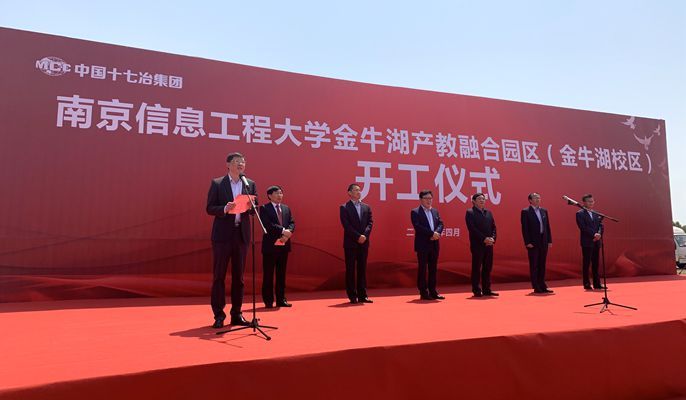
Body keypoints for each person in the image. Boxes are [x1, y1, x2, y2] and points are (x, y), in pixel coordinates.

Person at [206, 152, 256, 328]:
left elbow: (253, 209)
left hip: (241, 236)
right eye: (236, 162)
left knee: (239, 278)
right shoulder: (218, 183)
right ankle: (219, 315)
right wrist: (224, 209)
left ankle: (237, 314)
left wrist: (251, 207)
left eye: (243, 161)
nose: (240, 164)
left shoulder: (249, 184)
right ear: (228, 164)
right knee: (219, 276)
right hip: (222, 237)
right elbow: (209, 208)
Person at [259, 185, 295, 308]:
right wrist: (283, 231)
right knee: (268, 274)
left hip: (284, 245)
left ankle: (281, 299)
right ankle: (268, 300)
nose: (280, 195)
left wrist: (287, 234)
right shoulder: (264, 208)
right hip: (270, 247)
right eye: (276, 193)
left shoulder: (286, 208)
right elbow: (268, 225)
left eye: (281, 193)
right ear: (269, 196)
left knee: (281, 274)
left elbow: (292, 223)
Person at [339, 183, 373, 304]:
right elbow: (346, 225)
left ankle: (362, 295)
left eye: (359, 190)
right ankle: (352, 295)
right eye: (356, 190)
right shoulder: (344, 207)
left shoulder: (366, 207)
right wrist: (358, 236)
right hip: (351, 243)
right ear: (349, 193)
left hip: (364, 243)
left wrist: (364, 236)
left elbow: (370, 223)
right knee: (351, 269)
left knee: (362, 269)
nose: (359, 192)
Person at [410, 190, 445, 300]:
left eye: (430, 198)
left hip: (434, 243)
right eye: (426, 198)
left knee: (433, 268)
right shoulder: (415, 212)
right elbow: (418, 226)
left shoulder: (435, 211)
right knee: (422, 268)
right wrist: (431, 234)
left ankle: (433, 291)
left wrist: (437, 233)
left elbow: (440, 223)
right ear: (421, 199)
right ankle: (423, 292)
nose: (429, 200)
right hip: (423, 244)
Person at [465, 193, 498, 297]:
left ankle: (487, 289)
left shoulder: (488, 212)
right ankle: (476, 290)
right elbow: (472, 229)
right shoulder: (470, 212)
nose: (482, 200)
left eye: (483, 199)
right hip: (477, 245)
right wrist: (484, 239)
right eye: (479, 199)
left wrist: (492, 238)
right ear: (473, 201)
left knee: (487, 267)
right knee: (476, 267)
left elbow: (493, 227)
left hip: (489, 244)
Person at [520, 192, 553, 294]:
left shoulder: (544, 211)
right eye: (535, 198)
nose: (538, 199)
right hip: (533, 242)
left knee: (542, 264)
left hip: (543, 240)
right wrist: (527, 242)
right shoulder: (525, 211)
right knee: (534, 265)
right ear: (530, 200)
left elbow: (547, 227)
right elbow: (525, 228)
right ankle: (536, 286)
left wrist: (549, 240)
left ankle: (542, 285)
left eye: (539, 197)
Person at [575, 194, 605, 290]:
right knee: (587, 263)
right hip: (587, 241)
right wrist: (594, 234)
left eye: (592, 201)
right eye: (589, 201)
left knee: (596, 263)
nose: (591, 203)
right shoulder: (580, 214)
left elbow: (601, 226)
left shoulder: (596, 213)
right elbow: (583, 227)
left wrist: (599, 234)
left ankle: (597, 283)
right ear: (584, 202)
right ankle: (586, 283)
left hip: (596, 241)